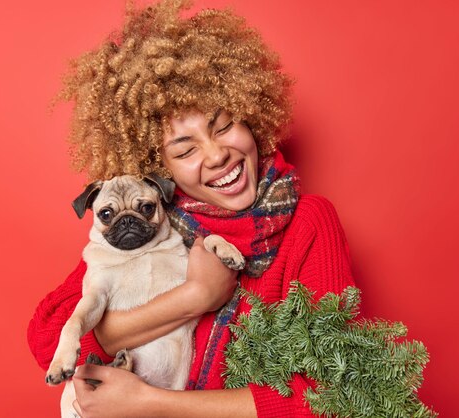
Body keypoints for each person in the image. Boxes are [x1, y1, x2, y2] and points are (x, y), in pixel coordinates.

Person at [27, 1, 355, 416]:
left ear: (251, 116)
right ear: (158, 169)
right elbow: (47, 341)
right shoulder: (158, 226)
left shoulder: (308, 223)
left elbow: (336, 395)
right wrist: (195, 296)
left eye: (224, 126)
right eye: (185, 150)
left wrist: (153, 403)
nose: (217, 155)